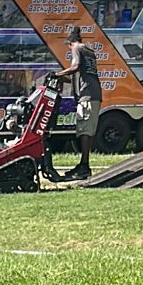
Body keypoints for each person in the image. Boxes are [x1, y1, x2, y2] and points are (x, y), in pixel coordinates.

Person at [57, 25, 102, 181]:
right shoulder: (89, 51)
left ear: (70, 42)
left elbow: (75, 67)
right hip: (93, 94)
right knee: (85, 130)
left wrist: (57, 74)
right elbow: (82, 74)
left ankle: (84, 166)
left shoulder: (76, 48)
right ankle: (83, 164)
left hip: (87, 96)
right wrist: (64, 77)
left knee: (84, 132)